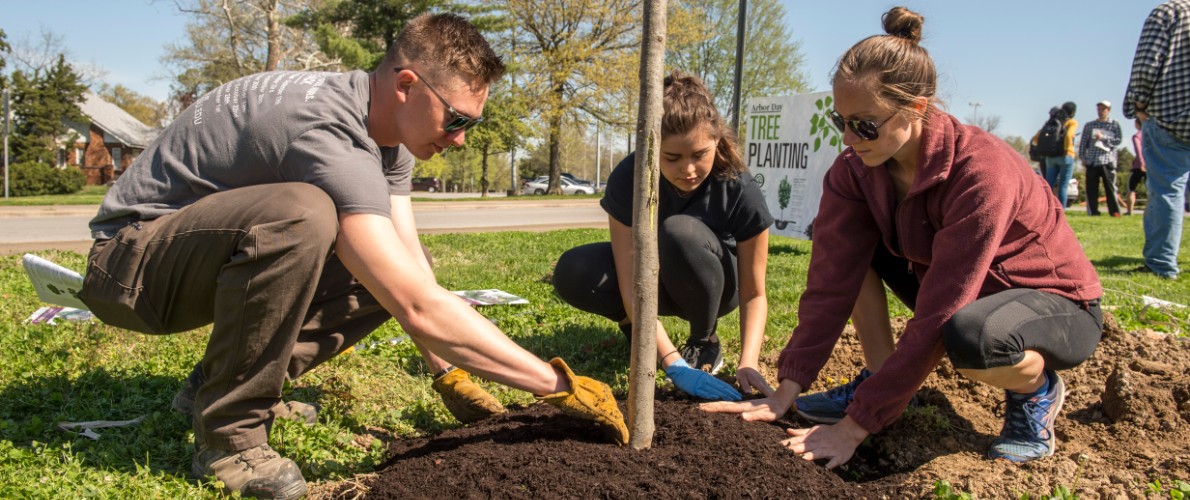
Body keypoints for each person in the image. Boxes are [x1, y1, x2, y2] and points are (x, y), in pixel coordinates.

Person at [78, 13, 627, 499]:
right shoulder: (327, 132)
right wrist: (559, 386)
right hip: (132, 267)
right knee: (303, 214)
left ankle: (218, 385)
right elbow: (415, 305)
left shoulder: (384, 137)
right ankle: (231, 436)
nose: (460, 139)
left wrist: (448, 373)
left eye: (471, 125)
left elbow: (409, 272)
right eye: (456, 120)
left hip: (189, 255)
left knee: (374, 258)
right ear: (407, 85)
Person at [703, 6, 1103, 469]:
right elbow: (832, 280)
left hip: (1053, 305)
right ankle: (881, 377)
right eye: (841, 121)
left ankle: (1035, 390)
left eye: (865, 124)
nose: (850, 139)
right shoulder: (853, 173)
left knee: (971, 340)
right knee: (857, 257)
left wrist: (857, 426)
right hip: (960, 289)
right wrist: (786, 390)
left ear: (915, 108)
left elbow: (942, 312)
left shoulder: (981, 172)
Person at [552, 71, 774, 402]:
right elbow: (629, 276)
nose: (688, 169)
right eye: (672, 157)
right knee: (574, 270)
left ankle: (704, 341)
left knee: (678, 232)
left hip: (718, 287)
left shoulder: (738, 184)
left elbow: (754, 293)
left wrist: (749, 360)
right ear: (651, 148)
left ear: (716, 140)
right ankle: (639, 330)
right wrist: (671, 362)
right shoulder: (630, 176)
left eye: (699, 155)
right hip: (654, 280)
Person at [1125, 0, 1190, 279]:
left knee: (1167, 191)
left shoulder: (1170, 11)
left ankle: (1161, 264)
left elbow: (1145, 65)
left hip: (1172, 115)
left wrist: (1138, 105)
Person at [1078, 101, 1124, 216]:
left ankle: (1114, 211)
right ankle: (1093, 212)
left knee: (1110, 188)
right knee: (1091, 189)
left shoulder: (1114, 124)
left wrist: (1103, 138)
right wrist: (1083, 157)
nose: (1101, 111)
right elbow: (1083, 143)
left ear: (1108, 110)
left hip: (1107, 161)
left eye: (1103, 109)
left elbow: (1118, 140)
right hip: (1092, 161)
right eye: (1099, 109)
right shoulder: (1089, 125)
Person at [1126, 118, 1147, 215]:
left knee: (1131, 189)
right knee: (1151, 190)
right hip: (1151, 166)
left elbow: (1138, 151)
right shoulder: (1151, 134)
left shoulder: (1137, 136)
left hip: (1138, 166)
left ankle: (1130, 211)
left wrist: (1142, 163)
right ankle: (1151, 211)